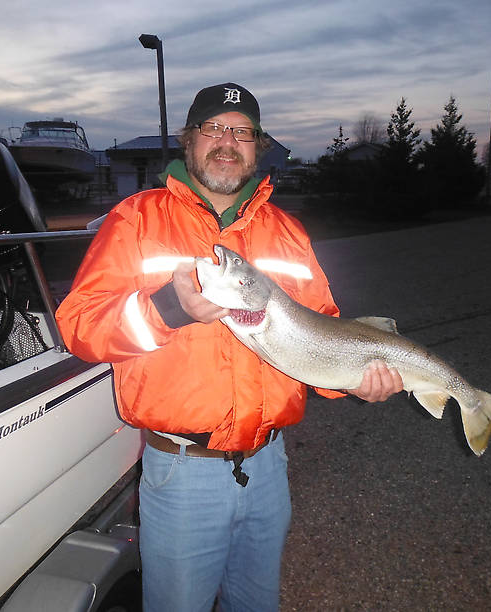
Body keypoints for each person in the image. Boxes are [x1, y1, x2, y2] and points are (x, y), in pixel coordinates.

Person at [55, 82, 403, 612]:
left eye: (241, 132)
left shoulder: (286, 232)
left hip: (268, 467)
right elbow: (79, 326)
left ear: (258, 146)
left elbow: (322, 330)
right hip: (183, 471)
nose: (227, 142)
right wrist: (167, 310)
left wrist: (358, 379)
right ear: (188, 140)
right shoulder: (136, 220)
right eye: (213, 128)